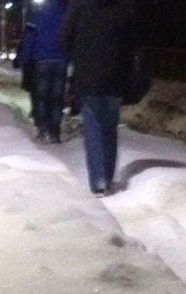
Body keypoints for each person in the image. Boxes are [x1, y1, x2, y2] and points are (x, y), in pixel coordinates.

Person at [58, 0, 136, 195]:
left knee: (93, 128)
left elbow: (63, 38)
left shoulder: (79, 5)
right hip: (115, 77)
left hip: (87, 76)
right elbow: (132, 42)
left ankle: (98, 180)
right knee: (110, 129)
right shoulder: (123, 7)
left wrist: (78, 52)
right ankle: (107, 177)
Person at [23, 0, 68, 142]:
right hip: (61, 60)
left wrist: (25, 58)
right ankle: (55, 132)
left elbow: (29, 38)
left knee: (41, 97)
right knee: (56, 98)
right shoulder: (65, 15)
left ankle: (42, 128)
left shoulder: (37, 15)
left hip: (41, 59)